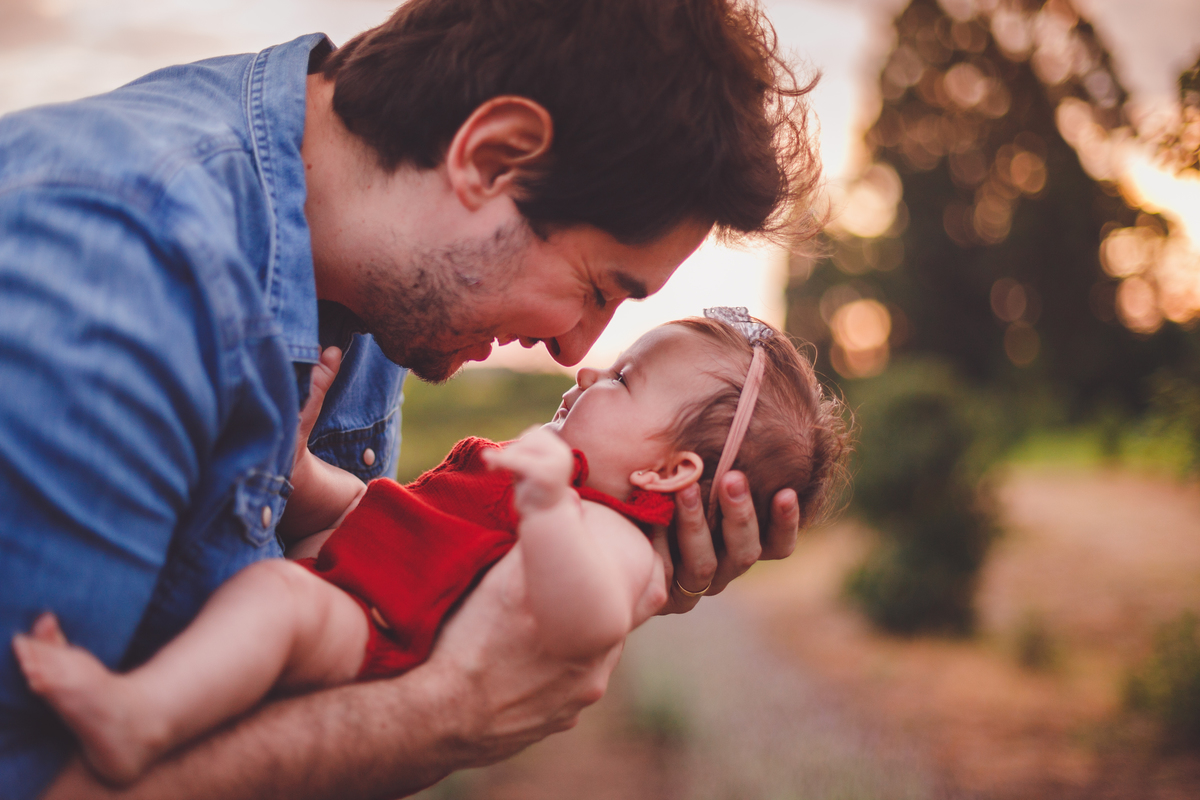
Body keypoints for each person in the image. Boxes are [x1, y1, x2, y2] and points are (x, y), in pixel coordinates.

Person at [0, 1, 822, 797]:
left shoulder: (384, 290)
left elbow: (382, 553)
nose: (576, 349)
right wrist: (446, 712)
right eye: (595, 287)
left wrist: (597, 579)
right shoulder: (102, 277)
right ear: (492, 157)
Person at [13, 310, 849, 787]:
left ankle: (142, 718)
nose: (588, 374)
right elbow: (386, 511)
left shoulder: (608, 530)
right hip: (363, 578)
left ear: (670, 472)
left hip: (383, 636)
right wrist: (297, 467)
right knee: (285, 586)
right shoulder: (543, 475)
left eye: (624, 379)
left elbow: (589, 622)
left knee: (277, 604)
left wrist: (551, 510)